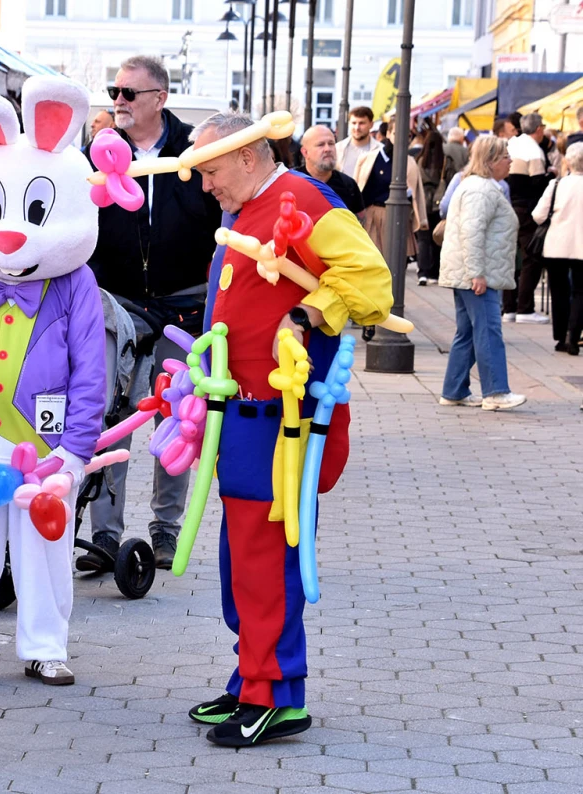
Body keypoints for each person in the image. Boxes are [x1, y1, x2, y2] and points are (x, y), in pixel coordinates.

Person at [186, 112, 394, 746]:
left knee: (267, 556)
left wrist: (307, 313)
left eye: (210, 171)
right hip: (243, 413)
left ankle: (277, 693)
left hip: (285, 419)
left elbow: (372, 282)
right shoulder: (248, 205)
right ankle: (250, 677)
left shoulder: (302, 197)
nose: (204, 185)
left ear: (248, 156)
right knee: (241, 557)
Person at [0, 77, 106, 690]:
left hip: (47, 437)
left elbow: (92, 367)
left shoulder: (76, 283)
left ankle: (44, 644)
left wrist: (77, 446)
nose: (10, 234)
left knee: (44, 545)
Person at [82, 54, 223, 571]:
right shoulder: (99, 153)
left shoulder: (195, 150)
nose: (117, 101)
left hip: (184, 304)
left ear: (159, 99)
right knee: (109, 414)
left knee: (177, 415)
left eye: (128, 94)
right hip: (116, 303)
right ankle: (103, 537)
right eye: (113, 92)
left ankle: (165, 532)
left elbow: (223, 219)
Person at [438, 135, 526, 411]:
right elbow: (472, 233)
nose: (510, 161)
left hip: (470, 272)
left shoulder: (478, 186)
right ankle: (496, 391)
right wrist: (477, 272)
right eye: (505, 157)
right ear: (490, 161)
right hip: (477, 274)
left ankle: (455, 390)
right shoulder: (482, 190)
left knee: (467, 332)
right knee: (488, 331)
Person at [348, 118, 427, 256]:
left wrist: (421, 220)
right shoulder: (369, 159)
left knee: (397, 264)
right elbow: (357, 189)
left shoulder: (410, 162)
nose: (403, 139)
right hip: (371, 217)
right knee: (372, 261)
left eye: (407, 135)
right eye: (397, 133)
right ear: (389, 133)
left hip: (399, 219)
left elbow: (417, 193)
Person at [533, 142, 583, 354]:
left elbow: (538, 215)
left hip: (556, 245)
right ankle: (574, 334)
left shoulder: (556, 184)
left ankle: (560, 337)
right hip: (581, 246)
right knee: (581, 291)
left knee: (559, 291)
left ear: (568, 162)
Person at [504, 112, 553, 324]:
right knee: (531, 257)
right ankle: (525, 308)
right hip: (526, 210)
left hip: (508, 206)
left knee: (509, 258)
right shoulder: (534, 150)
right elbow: (537, 185)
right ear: (539, 129)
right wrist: (551, 176)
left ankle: (509, 308)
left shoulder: (513, 144)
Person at [297, 125, 365, 217]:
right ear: (305, 152)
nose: (327, 149)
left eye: (331, 143)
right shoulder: (292, 181)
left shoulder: (348, 185)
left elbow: (359, 221)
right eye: (320, 145)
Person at [416, 129, 446, 285]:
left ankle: (422, 272)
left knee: (423, 239)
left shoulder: (420, 160)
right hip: (438, 203)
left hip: (422, 202)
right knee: (437, 238)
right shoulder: (445, 161)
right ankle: (435, 272)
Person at [338, 107, 379, 179]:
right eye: (353, 123)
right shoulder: (338, 149)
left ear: (371, 125)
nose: (357, 127)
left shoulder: (380, 150)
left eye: (361, 123)